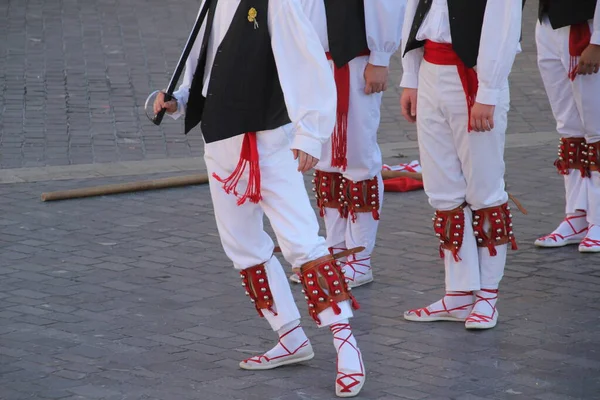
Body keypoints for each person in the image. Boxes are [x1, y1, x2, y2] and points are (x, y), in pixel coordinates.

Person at [153, 0, 366, 396]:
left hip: (268, 144)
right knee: (243, 246)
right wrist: (179, 98)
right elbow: (203, 57)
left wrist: (309, 132)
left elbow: (306, 62)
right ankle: (289, 335)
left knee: (303, 243)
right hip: (220, 140)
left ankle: (347, 348)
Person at [399, 0, 522, 330]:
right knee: (442, 188)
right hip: (430, 68)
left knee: (484, 188)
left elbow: (504, 22)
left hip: (472, 73)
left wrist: (490, 90)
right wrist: (410, 75)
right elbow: (416, 10)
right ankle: (458, 292)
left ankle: (487, 296)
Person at [289, 0, 406, 288]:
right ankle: (335, 249)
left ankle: (360, 258)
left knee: (357, 158)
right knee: (325, 158)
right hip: (313, 61)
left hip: (354, 61)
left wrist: (380, 57)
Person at [534, 0, 600, 253]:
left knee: (596, 128)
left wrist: (597, 41)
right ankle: (577, 214)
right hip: (549, 23)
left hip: (585, 25)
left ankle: (598, 219)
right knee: (569, 126)